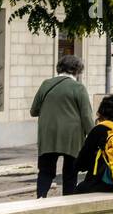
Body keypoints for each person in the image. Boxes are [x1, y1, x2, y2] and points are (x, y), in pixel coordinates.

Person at [31, 55, 94, 198]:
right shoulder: (79, 88)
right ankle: (68, 201)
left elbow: (33, 111)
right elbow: (86, 116)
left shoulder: (46, 84)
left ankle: (40, 199)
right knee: (70, 172)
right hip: (72, 136)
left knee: (45, 171)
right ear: (77, 70)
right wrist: (94, 135)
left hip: (48, 135)